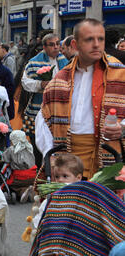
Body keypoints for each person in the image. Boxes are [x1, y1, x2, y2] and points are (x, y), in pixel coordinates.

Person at [35, 19, 124, 180]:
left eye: (100, 39)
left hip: (106, 155)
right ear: (75, 45)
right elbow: (43, 118)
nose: (96, 44)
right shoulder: (60, 78)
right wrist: (51, 154)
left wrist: (122, 128)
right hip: (68, 159)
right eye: (89, 39)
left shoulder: (120, 74)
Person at [24, 163, 125, 256]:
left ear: (78, 177)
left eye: (65, 176)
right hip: (60, 251)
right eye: (57, 177)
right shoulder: (55, 199)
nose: (60, 180)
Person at [21, 33, 69, 167]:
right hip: (38, 109)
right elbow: (25, 83)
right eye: (52, 44)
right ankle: (40, 171)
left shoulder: (64, 60)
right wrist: (40, 85)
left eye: (58, 44)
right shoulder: (34, 61)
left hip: (60, 110)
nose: (56, 47)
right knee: (39, 143)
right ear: (44, 47)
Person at [0, 130, 36, 203]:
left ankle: (21, 192)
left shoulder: (11, 150)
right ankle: (28, 191)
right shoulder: (29, 147)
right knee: (25, 184)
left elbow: (4, 159)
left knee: (14, 186)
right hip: (32, 176)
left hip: (18, 178)